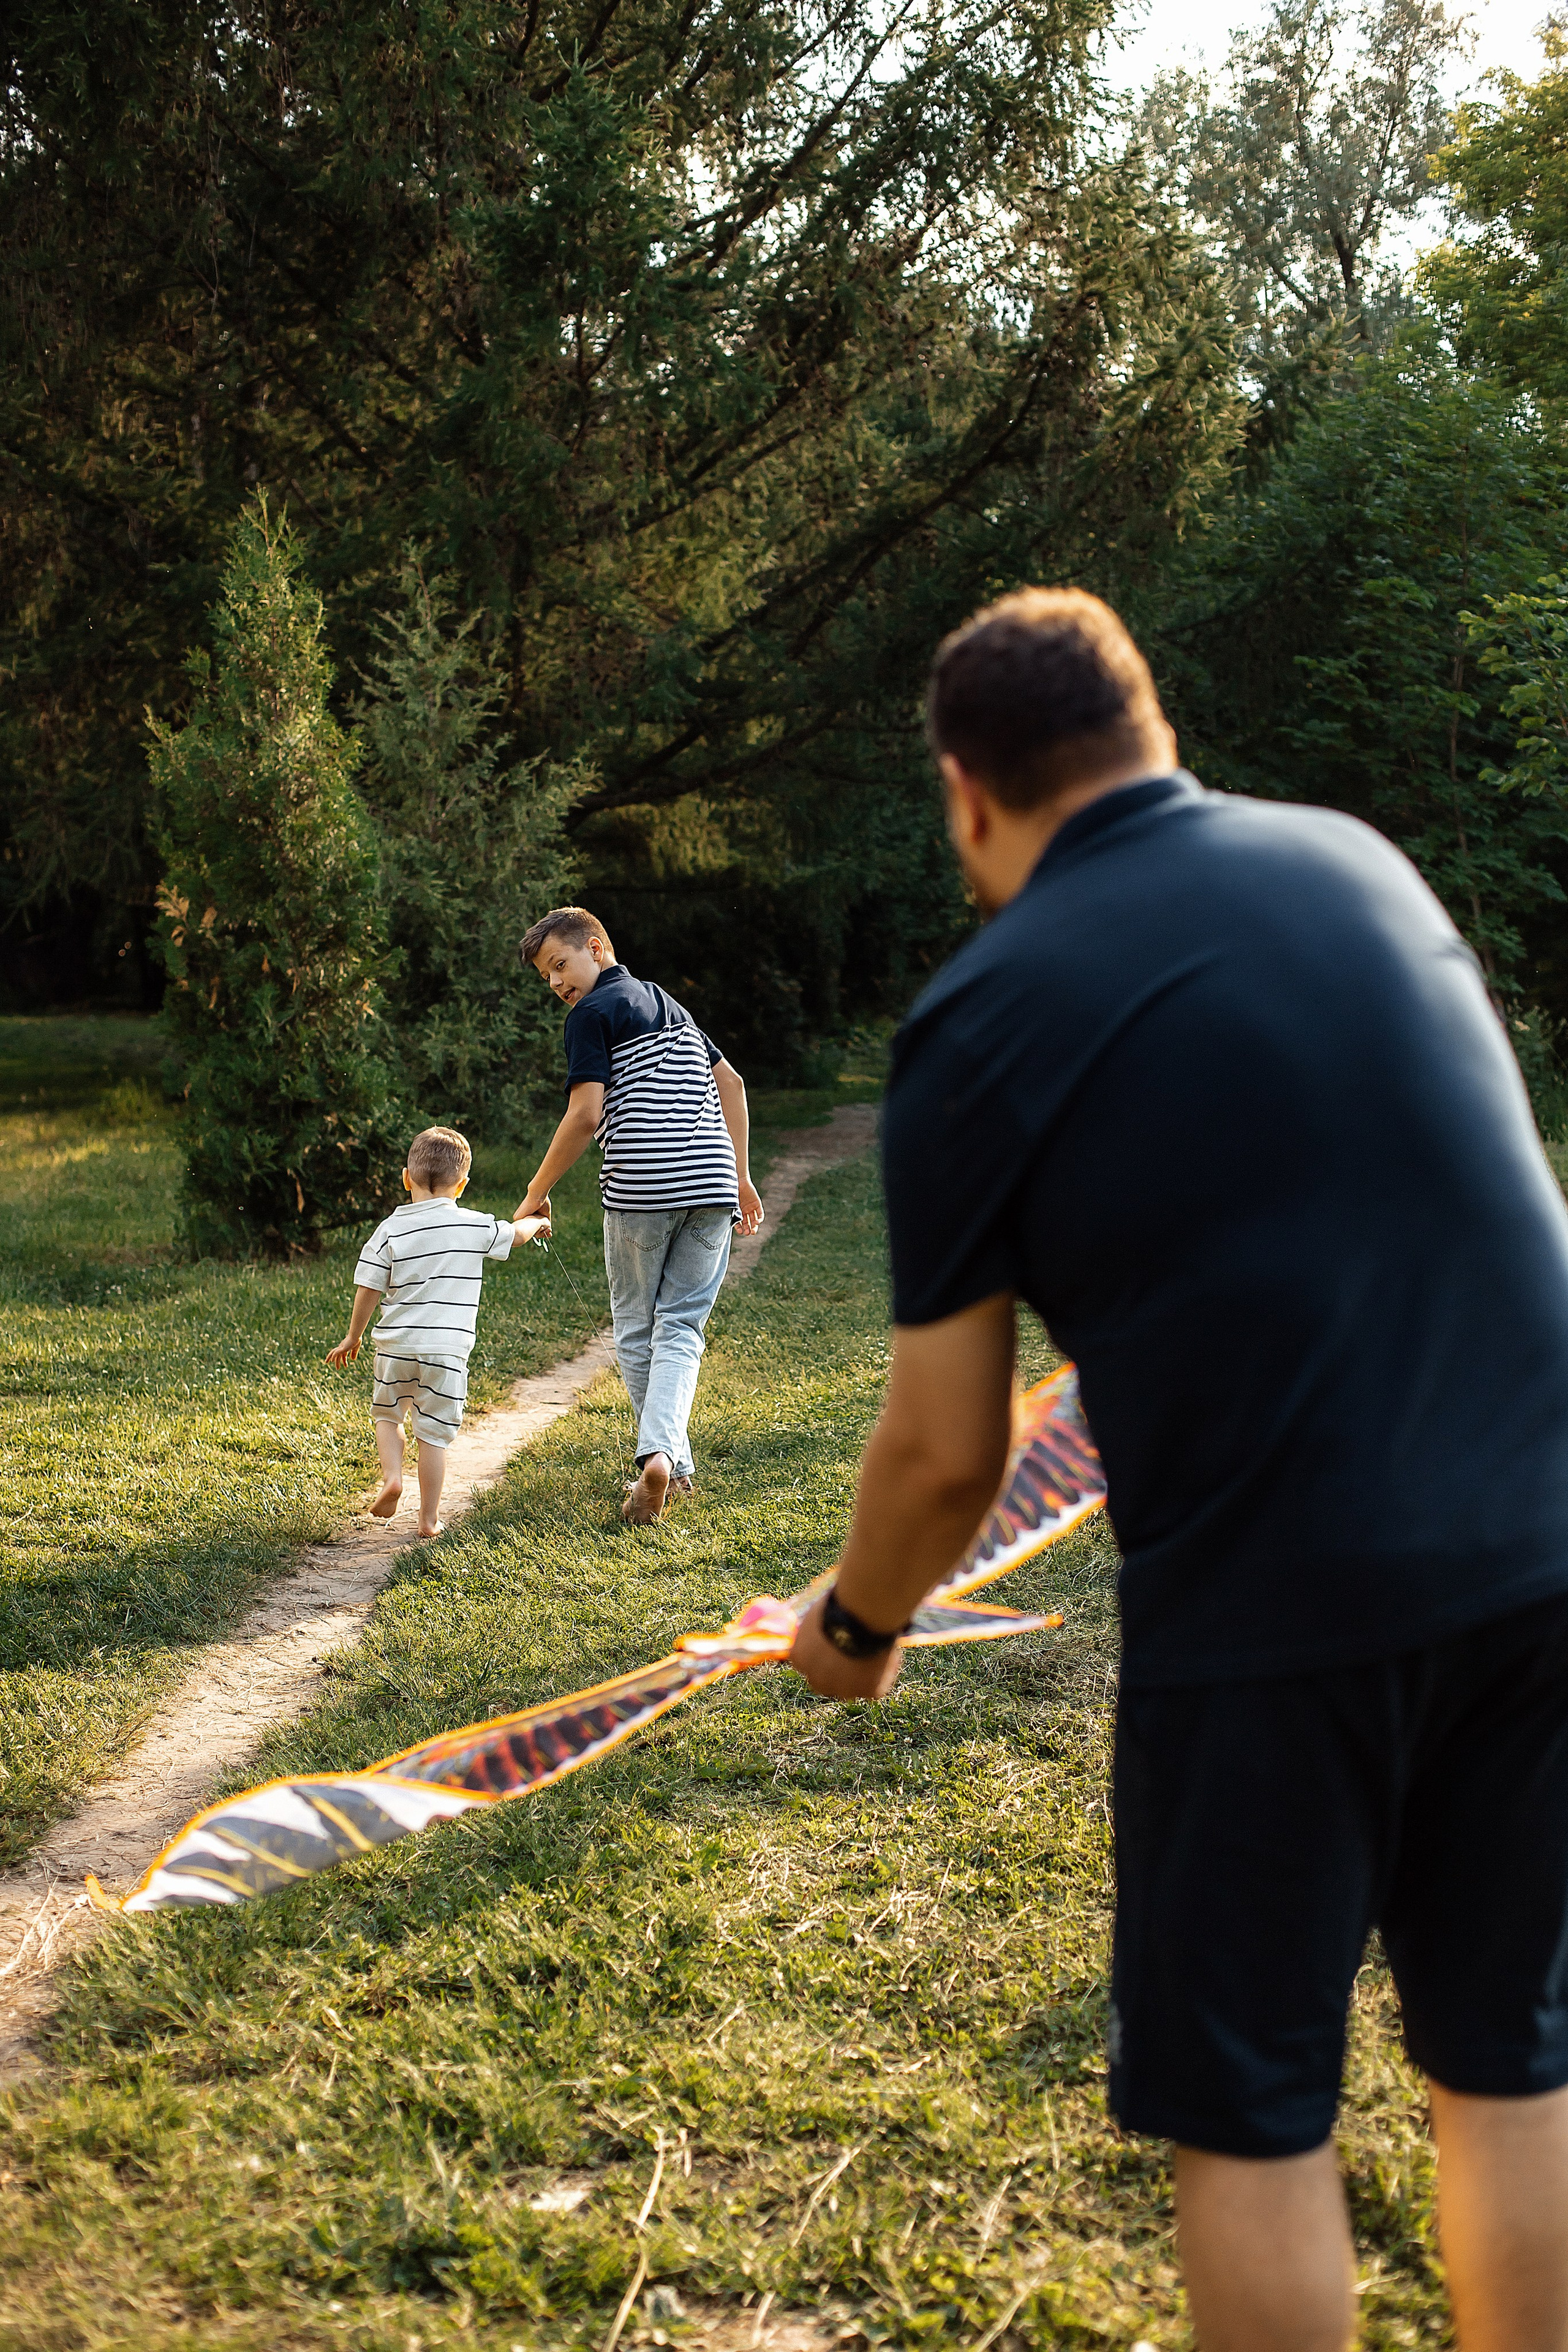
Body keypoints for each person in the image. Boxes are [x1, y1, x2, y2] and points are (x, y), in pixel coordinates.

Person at [790, 586, 1568, 2352]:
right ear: (1152, 731)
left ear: (966, 795)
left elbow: (939, 1451)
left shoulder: (980, 1016)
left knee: (1253, 2109)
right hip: (1544, 1542)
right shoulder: (1359, 862)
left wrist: (854, 1626)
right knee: (1513, 2061)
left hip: (1286, 1608)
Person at [515, 908, 764, 1524]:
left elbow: (585, 1116)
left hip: (643, 1190)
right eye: (546, 976)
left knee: (634, 1328)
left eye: (559, 965)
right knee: (681, 1325)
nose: (555, 983)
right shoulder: (667, 1004)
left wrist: (535, 1189)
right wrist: (740, 1173)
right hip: (711, 1184)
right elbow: (729, 1083)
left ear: (594, 949)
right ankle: (669, 1466)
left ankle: (660, 1459)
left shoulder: (590, 1016)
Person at [326, 1125, 548, 1537]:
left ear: (406, 1178)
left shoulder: (389, 1230)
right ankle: (428, 1520)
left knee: (388, 1417)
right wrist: (536, 1220)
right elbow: (515, 1235)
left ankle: (392, 1477)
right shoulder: (474, 1225)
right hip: (447, 1353)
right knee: (433, 1435)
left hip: (395, 1347)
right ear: (462, 1185)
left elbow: (368, 1288)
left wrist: (353, 1336)